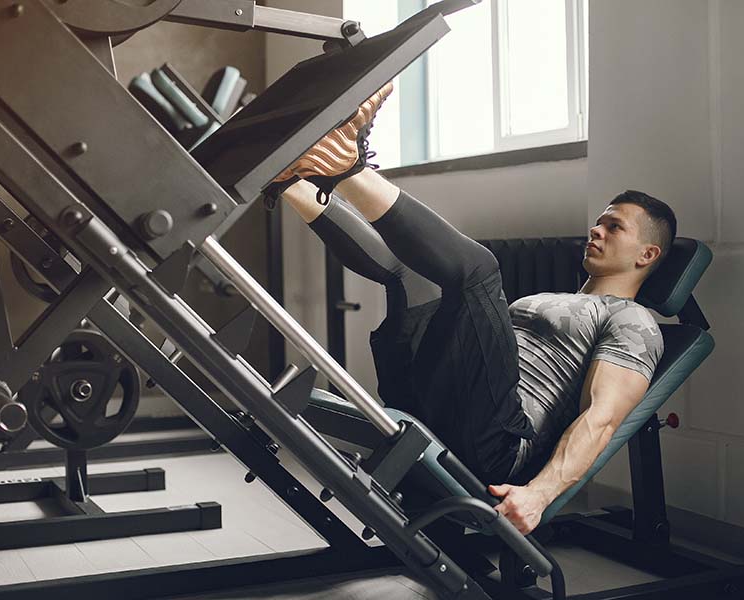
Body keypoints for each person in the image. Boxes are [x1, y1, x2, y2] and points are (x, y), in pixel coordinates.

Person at [266, 84, 672, 535]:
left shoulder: (634, 321)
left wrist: (538, 495)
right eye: (599, 222)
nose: (596, 230)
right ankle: (291, 181)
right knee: (411, 274)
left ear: (647, 254)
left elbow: (602, 418)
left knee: (478, 270)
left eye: (614, 227)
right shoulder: (556, 299)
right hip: (442, 408)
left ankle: (345, 167)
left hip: (498, 449)